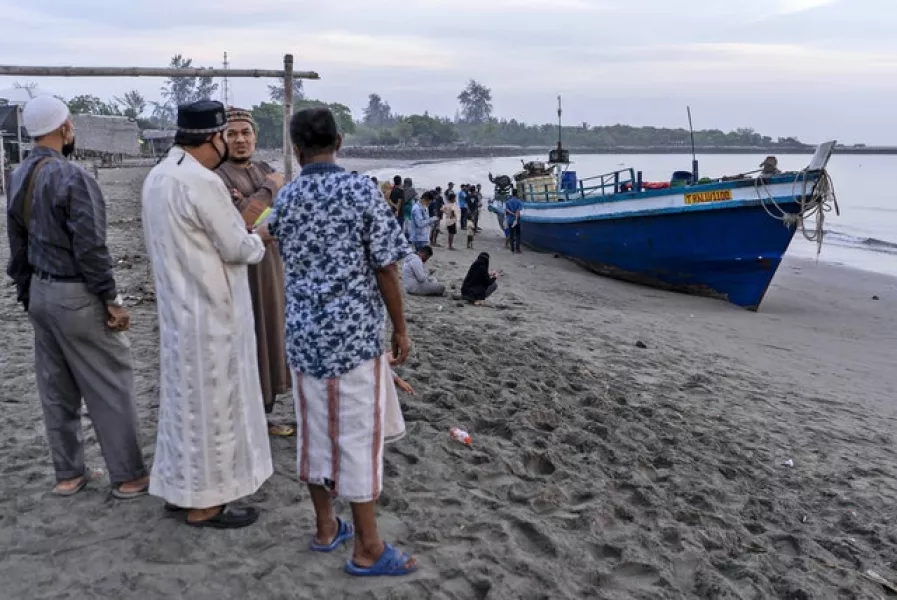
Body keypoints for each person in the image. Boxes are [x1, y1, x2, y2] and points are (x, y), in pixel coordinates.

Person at [261, 107, 417, 576]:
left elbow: (264, 238)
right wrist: (401, 327)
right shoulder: (359, 192)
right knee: (357, 438)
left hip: (305, 338)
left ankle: (327, 527)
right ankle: (368, 546)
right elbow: (386, 267)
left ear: (295, 147)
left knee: (314, 435)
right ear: (340, 141)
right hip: (352, 340)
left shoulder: (286, 198)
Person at [5, 95, 149, 498]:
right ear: (66, 128)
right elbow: (91, 248)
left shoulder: (17, 175)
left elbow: (16, 245)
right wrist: (112, 299)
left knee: (56, 390)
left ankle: (69, 475)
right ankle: (129, 477)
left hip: (39, 292)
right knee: (110, 384)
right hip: (76, 294)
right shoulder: (73, 177)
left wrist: (27, 293)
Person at [141, 100, 273, 529]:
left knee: (182, 409)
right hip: (212, 317)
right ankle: (207, 504)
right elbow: (238, 246)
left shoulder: (159, 176)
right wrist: (262, 236)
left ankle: (181, 491)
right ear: (214, 138)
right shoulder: (202, 182)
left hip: (178, 314)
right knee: (215, 412)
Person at [216, 108, 293, 437]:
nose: (240, 139)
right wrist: (263, 195)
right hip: (236, 272)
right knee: (242, 341)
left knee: (272, 335)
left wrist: (250, 203)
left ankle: (265, 413)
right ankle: (241, 417)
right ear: (221, 138)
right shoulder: (215, 176)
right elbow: (240, 223)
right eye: (232, 134)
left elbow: (280, 217)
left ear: (255, 136)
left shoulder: (267, 170)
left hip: (270, 266)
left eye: (245, 132)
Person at [505, 189, 524, 254]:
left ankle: (512, 248)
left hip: (510, 220)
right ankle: (517, 248)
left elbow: (507, 210)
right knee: (518, 234)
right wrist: (516, 218)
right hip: (517, 220)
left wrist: (512, 214)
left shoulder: (508, 202)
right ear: (517, 194)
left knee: (511, 234)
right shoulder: (519, 202)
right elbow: (518, 211)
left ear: (512, 193)